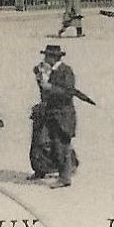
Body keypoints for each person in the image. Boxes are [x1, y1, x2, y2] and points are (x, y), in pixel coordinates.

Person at [32, 44, 81, 187]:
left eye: (47, 57)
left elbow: (68, 92)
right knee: (44, 142)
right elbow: (38, 74)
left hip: (63, 114)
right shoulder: (49, 71)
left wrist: (51, 88)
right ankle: (52, 169)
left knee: (61, 145)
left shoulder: (66, 71)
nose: (45, 59)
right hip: (51, 113)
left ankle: (65, 177)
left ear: (54, 58)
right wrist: (40, 76)